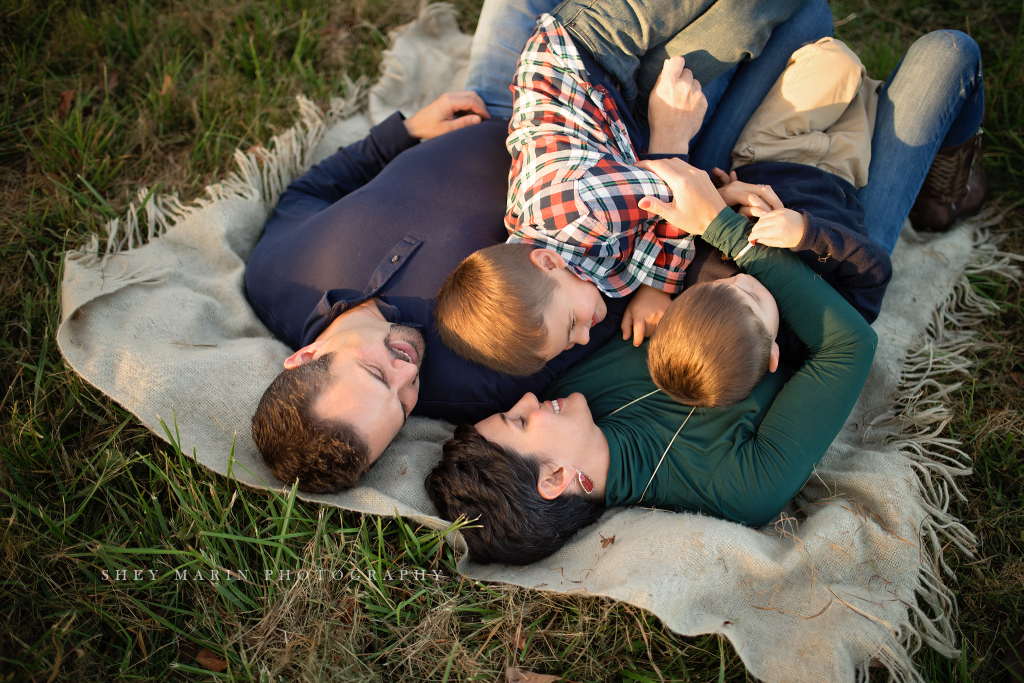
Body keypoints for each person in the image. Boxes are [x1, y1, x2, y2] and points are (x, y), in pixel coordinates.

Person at [424, 19, 987, 564]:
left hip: (732, 202)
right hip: (830, 259)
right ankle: (948, 181)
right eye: (521, 422)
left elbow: (637, 261)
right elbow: (848, 347)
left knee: (809, 20)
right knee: (947, 54)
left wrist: (714, 203)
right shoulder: (736, 486)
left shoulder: (574, 392)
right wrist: (730, 231)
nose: (521, 401)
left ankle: (842, 119)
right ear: (556, 480)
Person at [246, 0, 829, 493]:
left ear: (303, 356)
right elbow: (597, 293)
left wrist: (401, 135)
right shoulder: (483, 379)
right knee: (789, 20)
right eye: (402, 408)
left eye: (378, 374)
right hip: (634, 156)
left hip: (515, 102)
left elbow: (309, 191)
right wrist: (673, 160)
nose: (408, 375)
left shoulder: (277, 278)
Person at [647, 36, 895, 408]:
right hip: (841, 178)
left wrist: (724, 194)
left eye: (721, 287)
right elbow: (873, 273)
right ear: (774, 356)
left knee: (837, 60)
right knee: (867, 98)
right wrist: (806, 234)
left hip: (772, 152)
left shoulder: (698, 275)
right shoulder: (811, 334)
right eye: (752, 296)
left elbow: (697, 216)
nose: (742, 279)